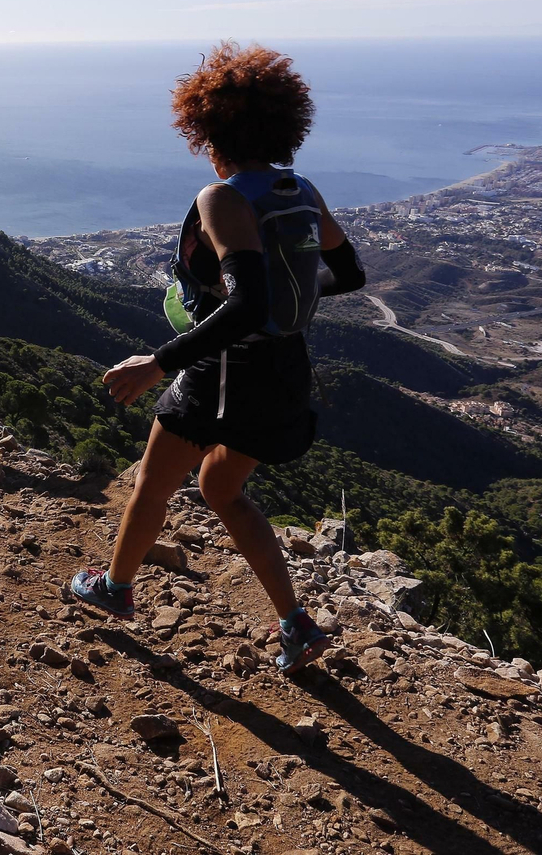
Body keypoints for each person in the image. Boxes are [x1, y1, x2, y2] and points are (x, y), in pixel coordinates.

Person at [67, 42, 366, 676]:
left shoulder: (221, 199)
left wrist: (158, 363)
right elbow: (348, 273)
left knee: (154, 483)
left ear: (208, 130)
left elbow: (246, 304)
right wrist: (290, 297)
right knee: (220, 488)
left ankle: (115, 588)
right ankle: (296, 624)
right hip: (286, 369)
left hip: (224, 374)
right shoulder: (301, 190)